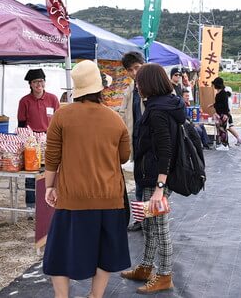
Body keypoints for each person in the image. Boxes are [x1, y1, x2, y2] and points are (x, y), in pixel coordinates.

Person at [43, 60, 131, 298]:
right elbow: (124, 157)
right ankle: (95, 295)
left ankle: (62, 297)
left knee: (59, 252)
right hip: (110, 197)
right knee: (106, 251)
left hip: (72, 197)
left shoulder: (62, 116)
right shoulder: (115, 119)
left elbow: (52, 157)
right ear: (100, 87)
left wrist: (50, 186)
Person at [121, 63, 185, 294]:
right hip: (148, 177)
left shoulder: (158, 111)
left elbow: (165, 151)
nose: (137, 86)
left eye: (139, 82)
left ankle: (165, 275)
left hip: (156, 180)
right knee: (147, 223)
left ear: (149, 84)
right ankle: (146, 267)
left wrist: (160, 187)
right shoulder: (162, 105)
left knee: (159, 227)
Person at [17, 68, 60, 209]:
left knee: (49, 171)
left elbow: (58, 119)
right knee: (30, 174)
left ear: (45, 82)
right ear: (30, 84)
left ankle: (49, 204)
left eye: (41, 81)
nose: (38, 84)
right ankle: (30, 205)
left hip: (49, 140)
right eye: (35, 82)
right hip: (31, 142)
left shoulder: (52, 99)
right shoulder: (24, 101)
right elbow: (21, 124)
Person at [120, 51, 145, 232]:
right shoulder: (129, 90)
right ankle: (140, 219)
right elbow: (122, 115)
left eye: (137, 68)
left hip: (152, 144)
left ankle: (152, 220)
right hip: (136, 143)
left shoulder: (154, 87)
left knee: (152, 185)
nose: (135, 72)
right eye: (131, 70)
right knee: (139, 183)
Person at [210, 77, 241, 150]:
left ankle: (224, 145)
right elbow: (219, 104)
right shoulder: (220, 93)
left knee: (223, 130)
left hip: (223, 114)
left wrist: (225, 114)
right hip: (221, 114)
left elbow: (225, 106)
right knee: (222, 130)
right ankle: (224, 144)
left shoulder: (222, 94)